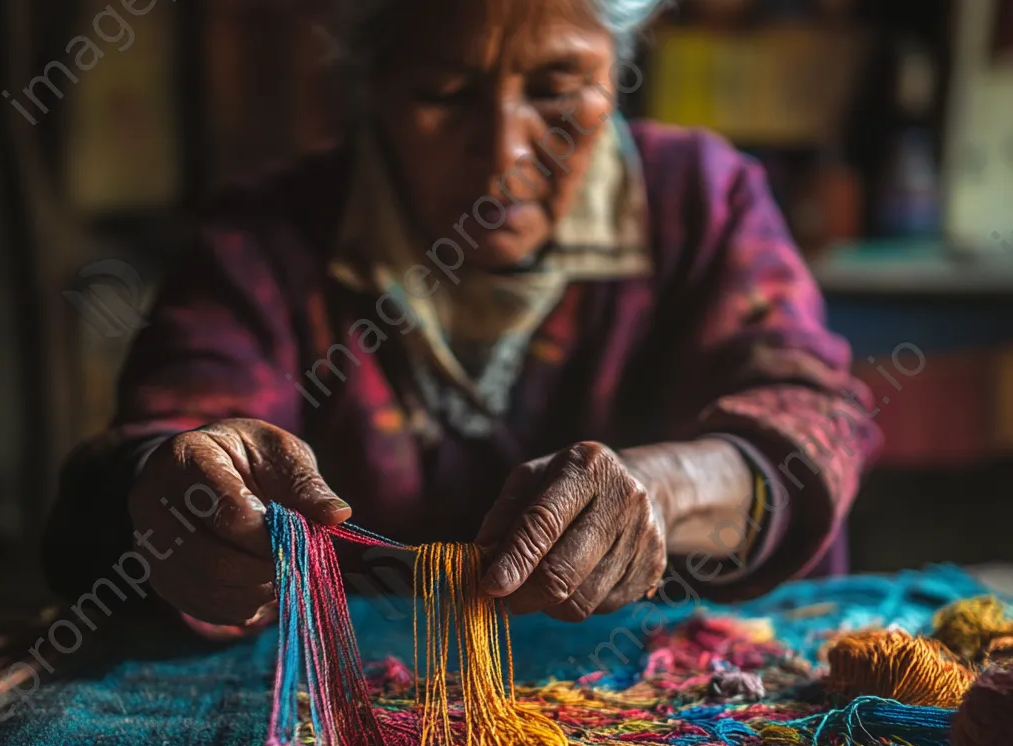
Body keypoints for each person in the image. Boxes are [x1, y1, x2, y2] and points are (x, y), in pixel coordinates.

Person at [43, 0, 880, 629]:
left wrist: (671, 488)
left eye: (559, 90)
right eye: (444, 93)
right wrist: (179, 493)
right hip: (350, 704)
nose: (504, 152)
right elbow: (167, 435)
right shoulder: (265, 234)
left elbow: (811, 416)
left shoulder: (702, 197)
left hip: (664, 694)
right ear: (371, 88)